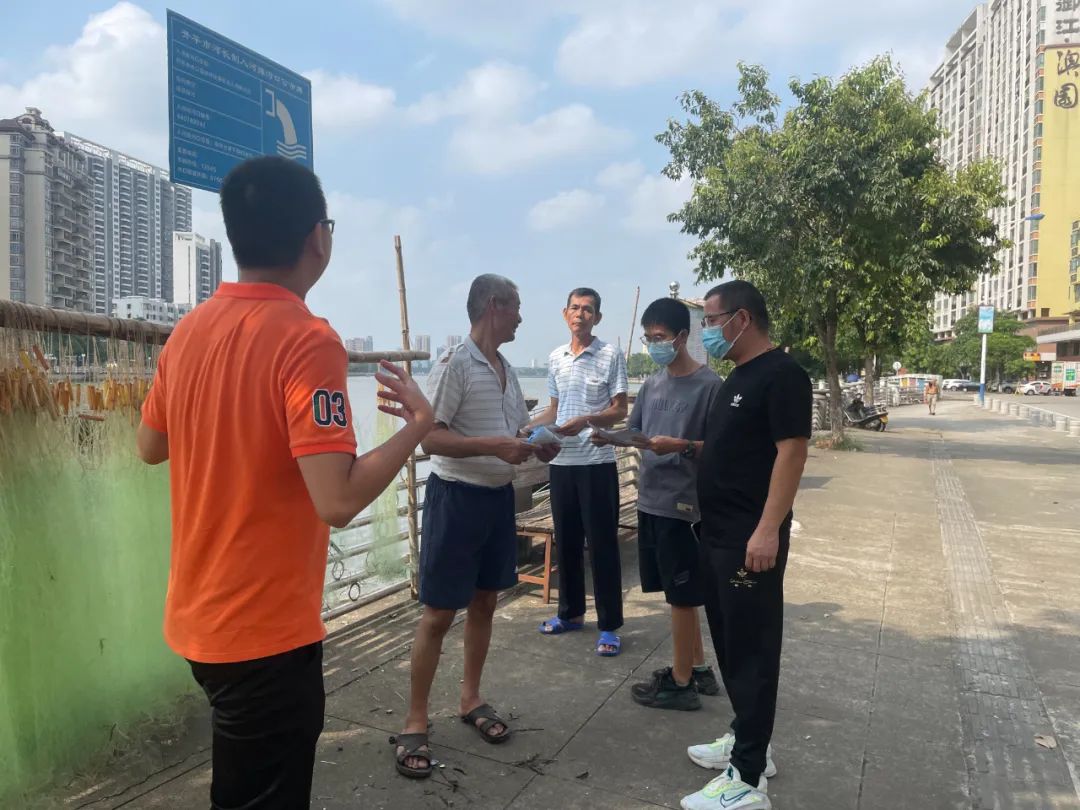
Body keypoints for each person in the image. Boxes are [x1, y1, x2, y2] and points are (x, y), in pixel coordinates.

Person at [136, 156, 434, 809]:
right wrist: (417, 427)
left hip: (196, 619)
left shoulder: (188, 332)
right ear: (317, 238)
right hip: (263, 635)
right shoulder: (307, 340)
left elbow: (150, 447)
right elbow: (339, 499)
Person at [394, 274, 560, 779]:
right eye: (516, 307)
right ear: (493, 306)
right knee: (439, 613)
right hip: (456, 499)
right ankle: (415, 719)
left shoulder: (506, 369)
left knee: (486, 601)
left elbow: (510, 431)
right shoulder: (455, 363)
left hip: (496, 499)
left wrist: (534, 441)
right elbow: (430, 439)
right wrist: (496, 446)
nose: (521, 318)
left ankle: (470, 698)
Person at [679, 280, 811, 810]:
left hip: (749, 538)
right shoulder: (738, 376)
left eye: (712, 320)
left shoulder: (783, 374)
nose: (707, 330)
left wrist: (768, 528)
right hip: (717, 533)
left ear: (742, 318)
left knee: (752, 651)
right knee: (731, 645)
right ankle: (747, 739)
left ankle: (748, 778)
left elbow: (792, 453)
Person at [593, 297, 723, 710]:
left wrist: (680, 446)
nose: (654, 345)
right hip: (650, 498)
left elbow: (722, 449)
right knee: (677, 592)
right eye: (648, 338)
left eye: (660, 337)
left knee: (682, 596)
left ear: (682, 337)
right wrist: (607, 436)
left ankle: (680, 683)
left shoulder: (710, 386)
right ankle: (698, 667)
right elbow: (637, 434)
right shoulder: (651, 384)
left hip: (684, 505)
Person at [531, 288, 629, 656]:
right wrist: (526, 428)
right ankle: (570, 613)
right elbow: (554, 412)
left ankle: (609, 626)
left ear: (597, 318)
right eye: (575, 308)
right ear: (565, 313)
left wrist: (587, 420)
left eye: (588, 309)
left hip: (596, 463)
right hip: (561, 464)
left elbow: (619, 409)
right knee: (567, 542)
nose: (580, 314)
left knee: (602, 546)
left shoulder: (610, 355)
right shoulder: (555, 358)